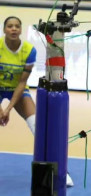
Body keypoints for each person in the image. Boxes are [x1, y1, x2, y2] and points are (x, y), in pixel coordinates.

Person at [0, 17, 75, 187]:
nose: (13, 29)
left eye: (17, 26)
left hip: (16, 89)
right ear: (4, 29)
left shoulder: (28, 50)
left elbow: (21, 82)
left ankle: (61, 173)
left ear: (21, 30)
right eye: (10, 26)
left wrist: (8, 109)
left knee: (38, 127)